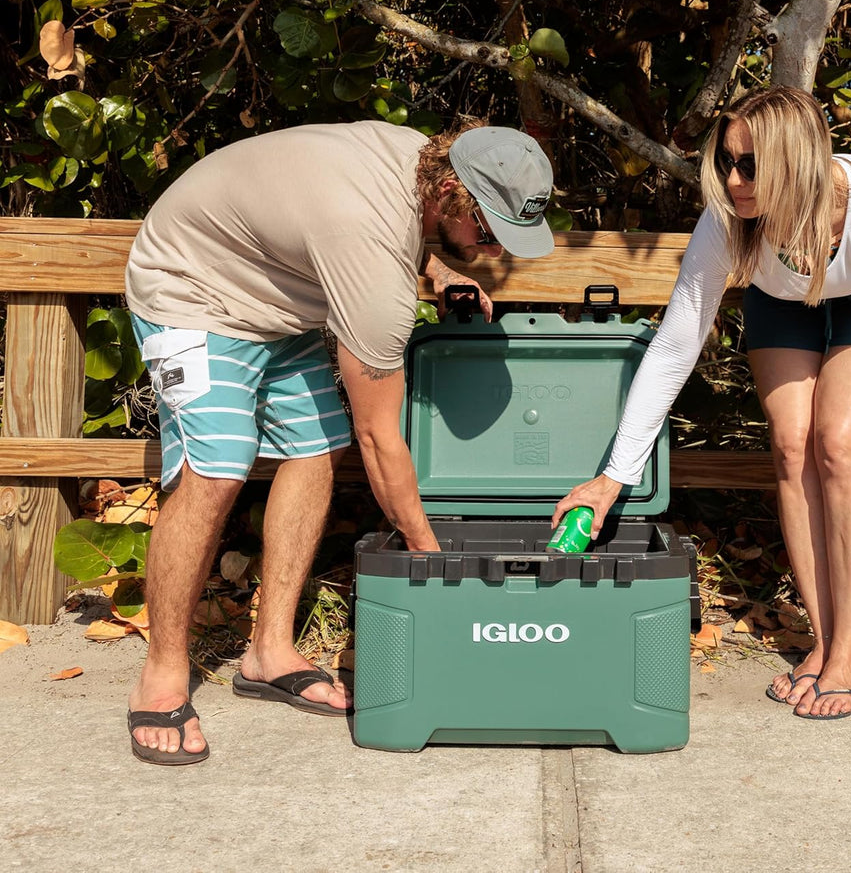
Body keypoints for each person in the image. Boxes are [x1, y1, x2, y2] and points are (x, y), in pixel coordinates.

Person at [124, 119, 554, 764]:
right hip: (191, 288)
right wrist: (428, 555)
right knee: (218, 467)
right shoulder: (369, 253)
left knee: (316, 446)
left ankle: (269, 651)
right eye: (489, 232)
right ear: (450, 193)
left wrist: (438, 264)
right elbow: (380, 438)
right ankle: (161, 673)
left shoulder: (423, 160)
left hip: (283, 294)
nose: (496, 254)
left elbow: (385, 231)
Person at [552, 86, 851, 720]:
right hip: (778, 299)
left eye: (752, 165)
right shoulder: (727, 220)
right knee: (793, 446)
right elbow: (676, 344)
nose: (735, 180)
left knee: (841, 446)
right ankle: (823, 641)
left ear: (799, 162)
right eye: (727, 162)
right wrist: (612, 478)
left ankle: (850, 652)